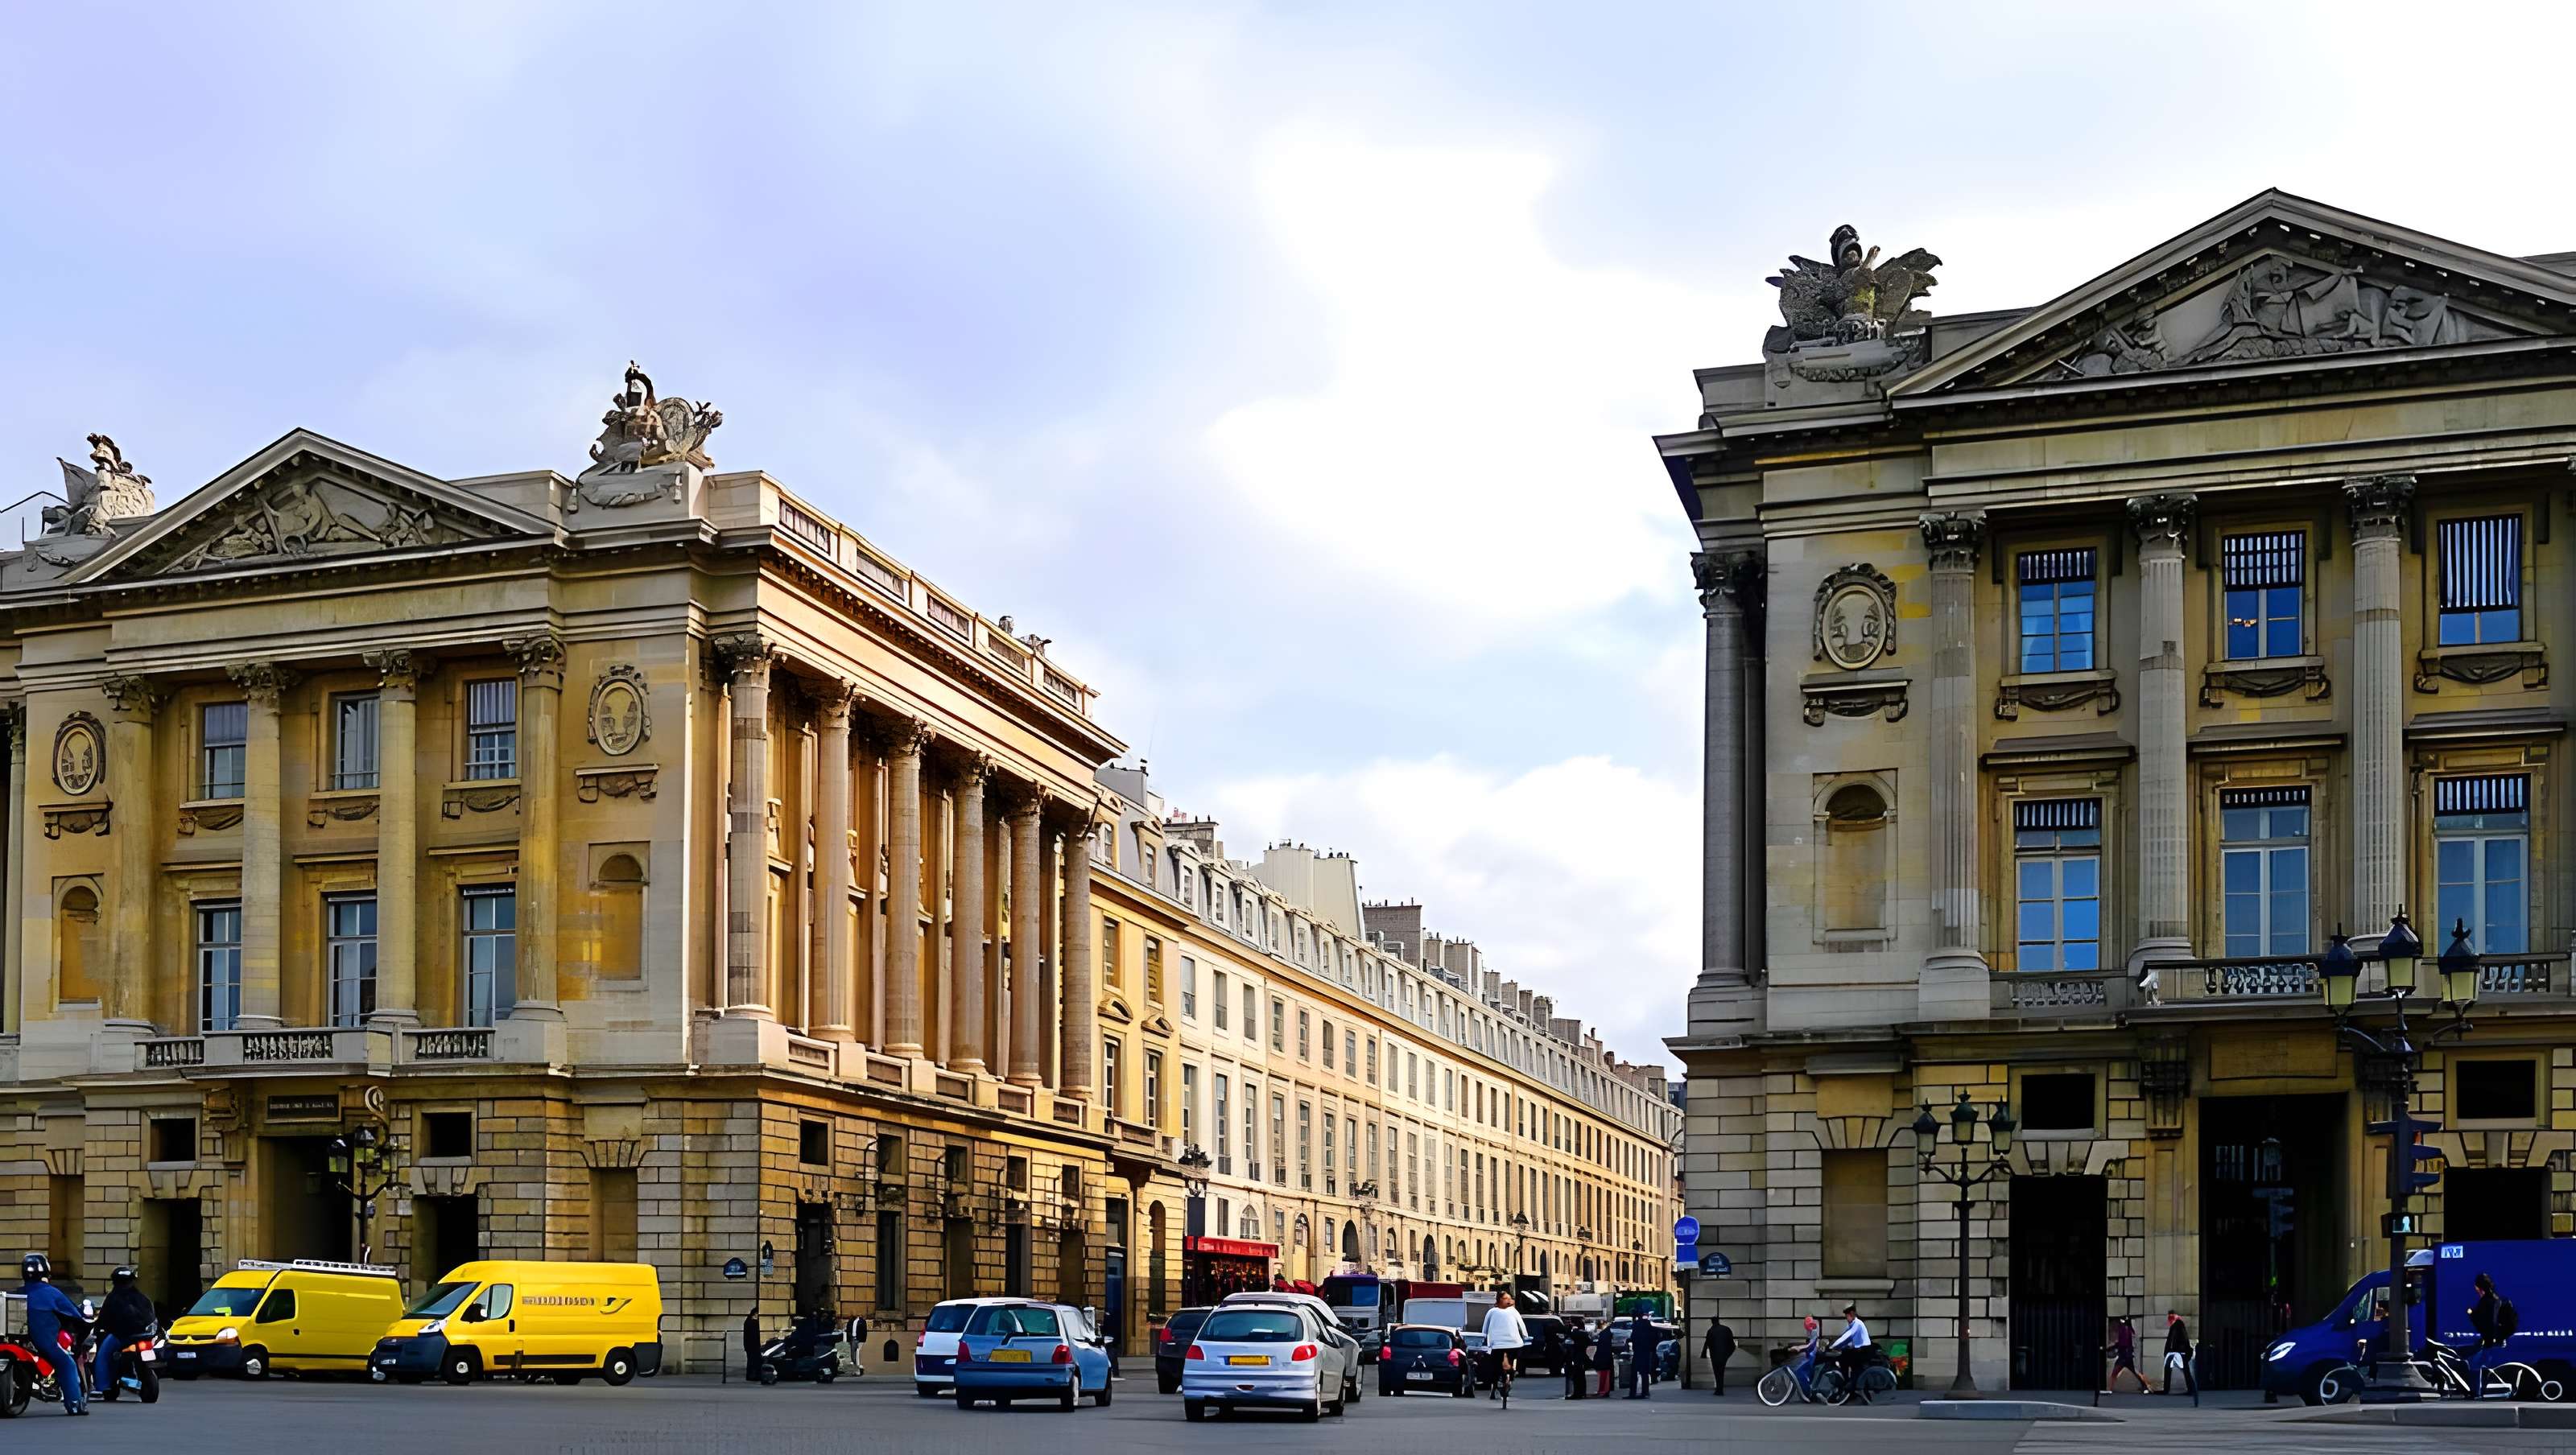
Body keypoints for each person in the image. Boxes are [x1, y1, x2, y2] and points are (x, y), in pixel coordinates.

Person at [19, 1254, 88, 1416]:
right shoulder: (52, 1293)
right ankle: (75, 1405)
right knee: (67, 1364)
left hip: (19, 1342)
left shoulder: (17, 1293)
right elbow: (76, 1315)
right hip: (41, 1342)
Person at [94, 1265, 154, 1400]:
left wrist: (97, 1330)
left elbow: (104, 1319)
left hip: (121, 1337)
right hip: (144, 1336)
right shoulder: (142, 1298)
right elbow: (151, 1317)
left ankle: (102, 1386)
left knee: (102, 1355)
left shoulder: (113, 1298)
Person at [1479, 1292, 1528, 1399]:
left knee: (1495, 1365)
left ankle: (1496, 1384)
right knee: (1513, 1361)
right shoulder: (1514, 1312)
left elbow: (1485, 1329)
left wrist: (1483, 1339)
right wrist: (1526, 1336)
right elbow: (1522, 1326)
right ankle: (1510, 1377)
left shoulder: (1491, 1312)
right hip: (1514, 1344)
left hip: (1496, 1345)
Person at [2469, 1272, 2504, 1397]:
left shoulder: (2485, 1301)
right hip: (2495, 1338)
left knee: (2475, 1364)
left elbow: (2482, 1321)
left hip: (2489, 1339)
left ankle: (2477, 1392)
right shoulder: (2496, 1300)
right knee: (2482, 1363)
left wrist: (2471, 1314)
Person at [1827, 1305, 1872, 1391]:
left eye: (1847, 1316)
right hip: (1858, 1349)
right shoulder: (1851, 1325)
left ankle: (1850, 1384)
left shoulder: (1857, 1324)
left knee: (1845, 1359)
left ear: (1852, 1314)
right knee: (1844, 1355)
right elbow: (1845, 1337)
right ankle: (1847, 1381)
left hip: (1864, 1350)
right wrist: (1837, 1345)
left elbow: (1847, 1336)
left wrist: (1833, 1346)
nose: (1847, 1319)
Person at [2104, 1316, 2145, 1394]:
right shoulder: (2130, 1330)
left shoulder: (2124, 1329)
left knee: (2115, 1373)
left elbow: (2122, 1343)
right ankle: (2146, 1386)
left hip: (2124, 1356)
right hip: (2128, 1355)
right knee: (2136, 1372)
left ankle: (2109, 1389)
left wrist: (2112, 1348)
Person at [2160, 1310, 2196, 1397]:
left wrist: (2171, 1350)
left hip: (2177, 1352)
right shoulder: (2177, 1325)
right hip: (2176, 1352)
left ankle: (2191, 1389)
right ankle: (2191, 1389)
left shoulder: (2178, 1325)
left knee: (2181, 1369)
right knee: (2180, 1369)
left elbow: (2173, 1340)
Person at [1624, 1310, 1656, 1398]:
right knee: (1644, 1373)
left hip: (1638, 1351)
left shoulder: (1637, 1324)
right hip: (1646, 1351)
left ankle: (1632, 1393)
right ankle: (1645, 1392)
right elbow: (1652, 1337)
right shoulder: (1647, 1324)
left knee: (1634, 1373)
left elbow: (1634, 1337)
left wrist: (1629, 1341)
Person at [1705, 1317, 1736, 1397]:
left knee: (1717, 1372)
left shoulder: (1710, 1331)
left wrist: (1706, 1354)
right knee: (1721, 1372)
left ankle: (1718, 1389)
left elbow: (1707, 1344)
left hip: (1714, 1355)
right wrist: (1727, 1355)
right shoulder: (1726, 1329)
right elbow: (1732, 1345)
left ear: (1712, 1322)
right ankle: (1720, 1389)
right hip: (1723, 1355)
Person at [1563, 1320, 1591, 1399]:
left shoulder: (1576, 1334)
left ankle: (1577, 1393)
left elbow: (1569, 1335)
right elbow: (1590, 1342)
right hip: (1583, 1356)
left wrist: (1569, 1328)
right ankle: (1583, 1393)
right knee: (1582, 1376)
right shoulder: (1585, 1334)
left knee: (1576, 1376)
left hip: (1577, 1356)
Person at [1595, 1313, 1618, 1397]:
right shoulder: (1609, 1333)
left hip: (1602, 1357)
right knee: (1606, 1374)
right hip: (1606, 1358)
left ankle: (1603, 1390)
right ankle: (1605, 1390)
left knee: (1603, 1375)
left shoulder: (1604, 1334)